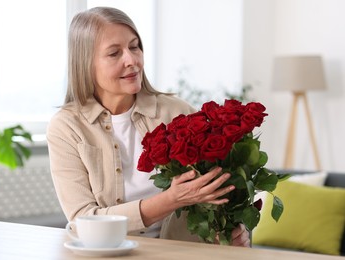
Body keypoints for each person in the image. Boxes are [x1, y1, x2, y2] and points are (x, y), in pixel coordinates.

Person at [46, 6, 250, 247]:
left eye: (134, 46)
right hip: (113, 253)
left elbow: (224, 188)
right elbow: (83, 221)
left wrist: (238, 230)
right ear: (85, 63)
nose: (132, 60)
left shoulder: (177, 112)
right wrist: (171, 200)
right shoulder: (66, 127)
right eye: (114, 53)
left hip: (185, 252)